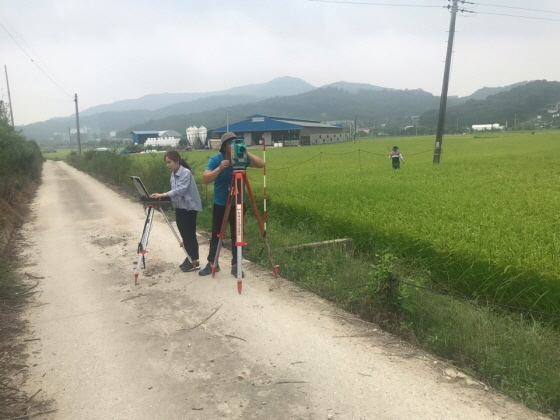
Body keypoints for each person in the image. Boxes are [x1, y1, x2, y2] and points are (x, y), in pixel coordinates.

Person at [199, 132, 265, 277]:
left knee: (238, 235)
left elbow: (261, 164)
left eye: (236, 142)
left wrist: (245, 152)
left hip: (239, 203)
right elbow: (205, 178)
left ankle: (236, 264)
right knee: (217, 234)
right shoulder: (216, 159)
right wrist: (220, 168)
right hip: (221, 203)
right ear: (223, 146)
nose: (233, 145)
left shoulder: (242, 158)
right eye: (230, 143)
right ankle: (212, 263)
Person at [150, 151, 202, 272]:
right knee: (184, 234)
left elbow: (180, 190)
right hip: (180, 207)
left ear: (177, 161)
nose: (168, 165)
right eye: (166, 163)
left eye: (169, 162)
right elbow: (175, 193)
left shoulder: (186, 173)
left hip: (189, 207)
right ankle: (189, 257)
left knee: (190, 234)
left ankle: (195, 260)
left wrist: (163, 194)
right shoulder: (173, 174)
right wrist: (161, 198)